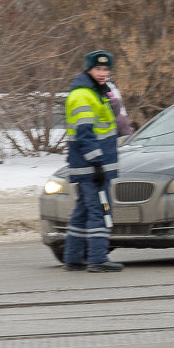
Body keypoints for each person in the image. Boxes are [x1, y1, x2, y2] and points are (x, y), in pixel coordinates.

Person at [62, 50, 123, 272]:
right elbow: (84, 133)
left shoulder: (97, 92)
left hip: (91, 165)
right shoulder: (83, 95)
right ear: (88, 69)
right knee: (100, 209)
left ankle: (73, 257)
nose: (102, 73)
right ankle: (97, 258)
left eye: (106, 69)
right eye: (98, 69)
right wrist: (97, 163)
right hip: (93, 166)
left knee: (83, 211)